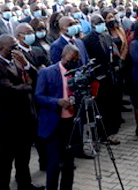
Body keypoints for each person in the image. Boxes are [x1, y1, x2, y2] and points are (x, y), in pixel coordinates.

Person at [0, 35, 44, 190]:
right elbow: (9, 90)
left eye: (17, 46)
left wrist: (26, 65)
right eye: (12, 47)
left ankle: (25, 183)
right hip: (9, 121)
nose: (16, 50)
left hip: (26, 117)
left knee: (24, 156)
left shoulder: (19, 60)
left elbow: (36, 75)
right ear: (1, 48)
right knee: (6, 160)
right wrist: (28, 86)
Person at [35, 45, 78, 190]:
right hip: (54, 123)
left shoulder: (76, 73)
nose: (73, 62)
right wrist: (57, 102)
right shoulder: (47, 72)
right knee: (54, 162)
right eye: (71, 59)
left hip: (70, 122)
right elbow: (39, 97)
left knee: (69, 163)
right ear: (63, 55)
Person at [82, 14, 121, 144]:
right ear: (92, 25)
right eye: (98, 23)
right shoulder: (87, 40)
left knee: (110, 106)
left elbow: (113, 53)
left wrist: (116, 65)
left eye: (102, 22)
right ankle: (98, 135)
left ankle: (108, 133)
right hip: (97, 79)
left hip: (109, 76)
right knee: (100, 107)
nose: (102, 25)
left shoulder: (106, 36)